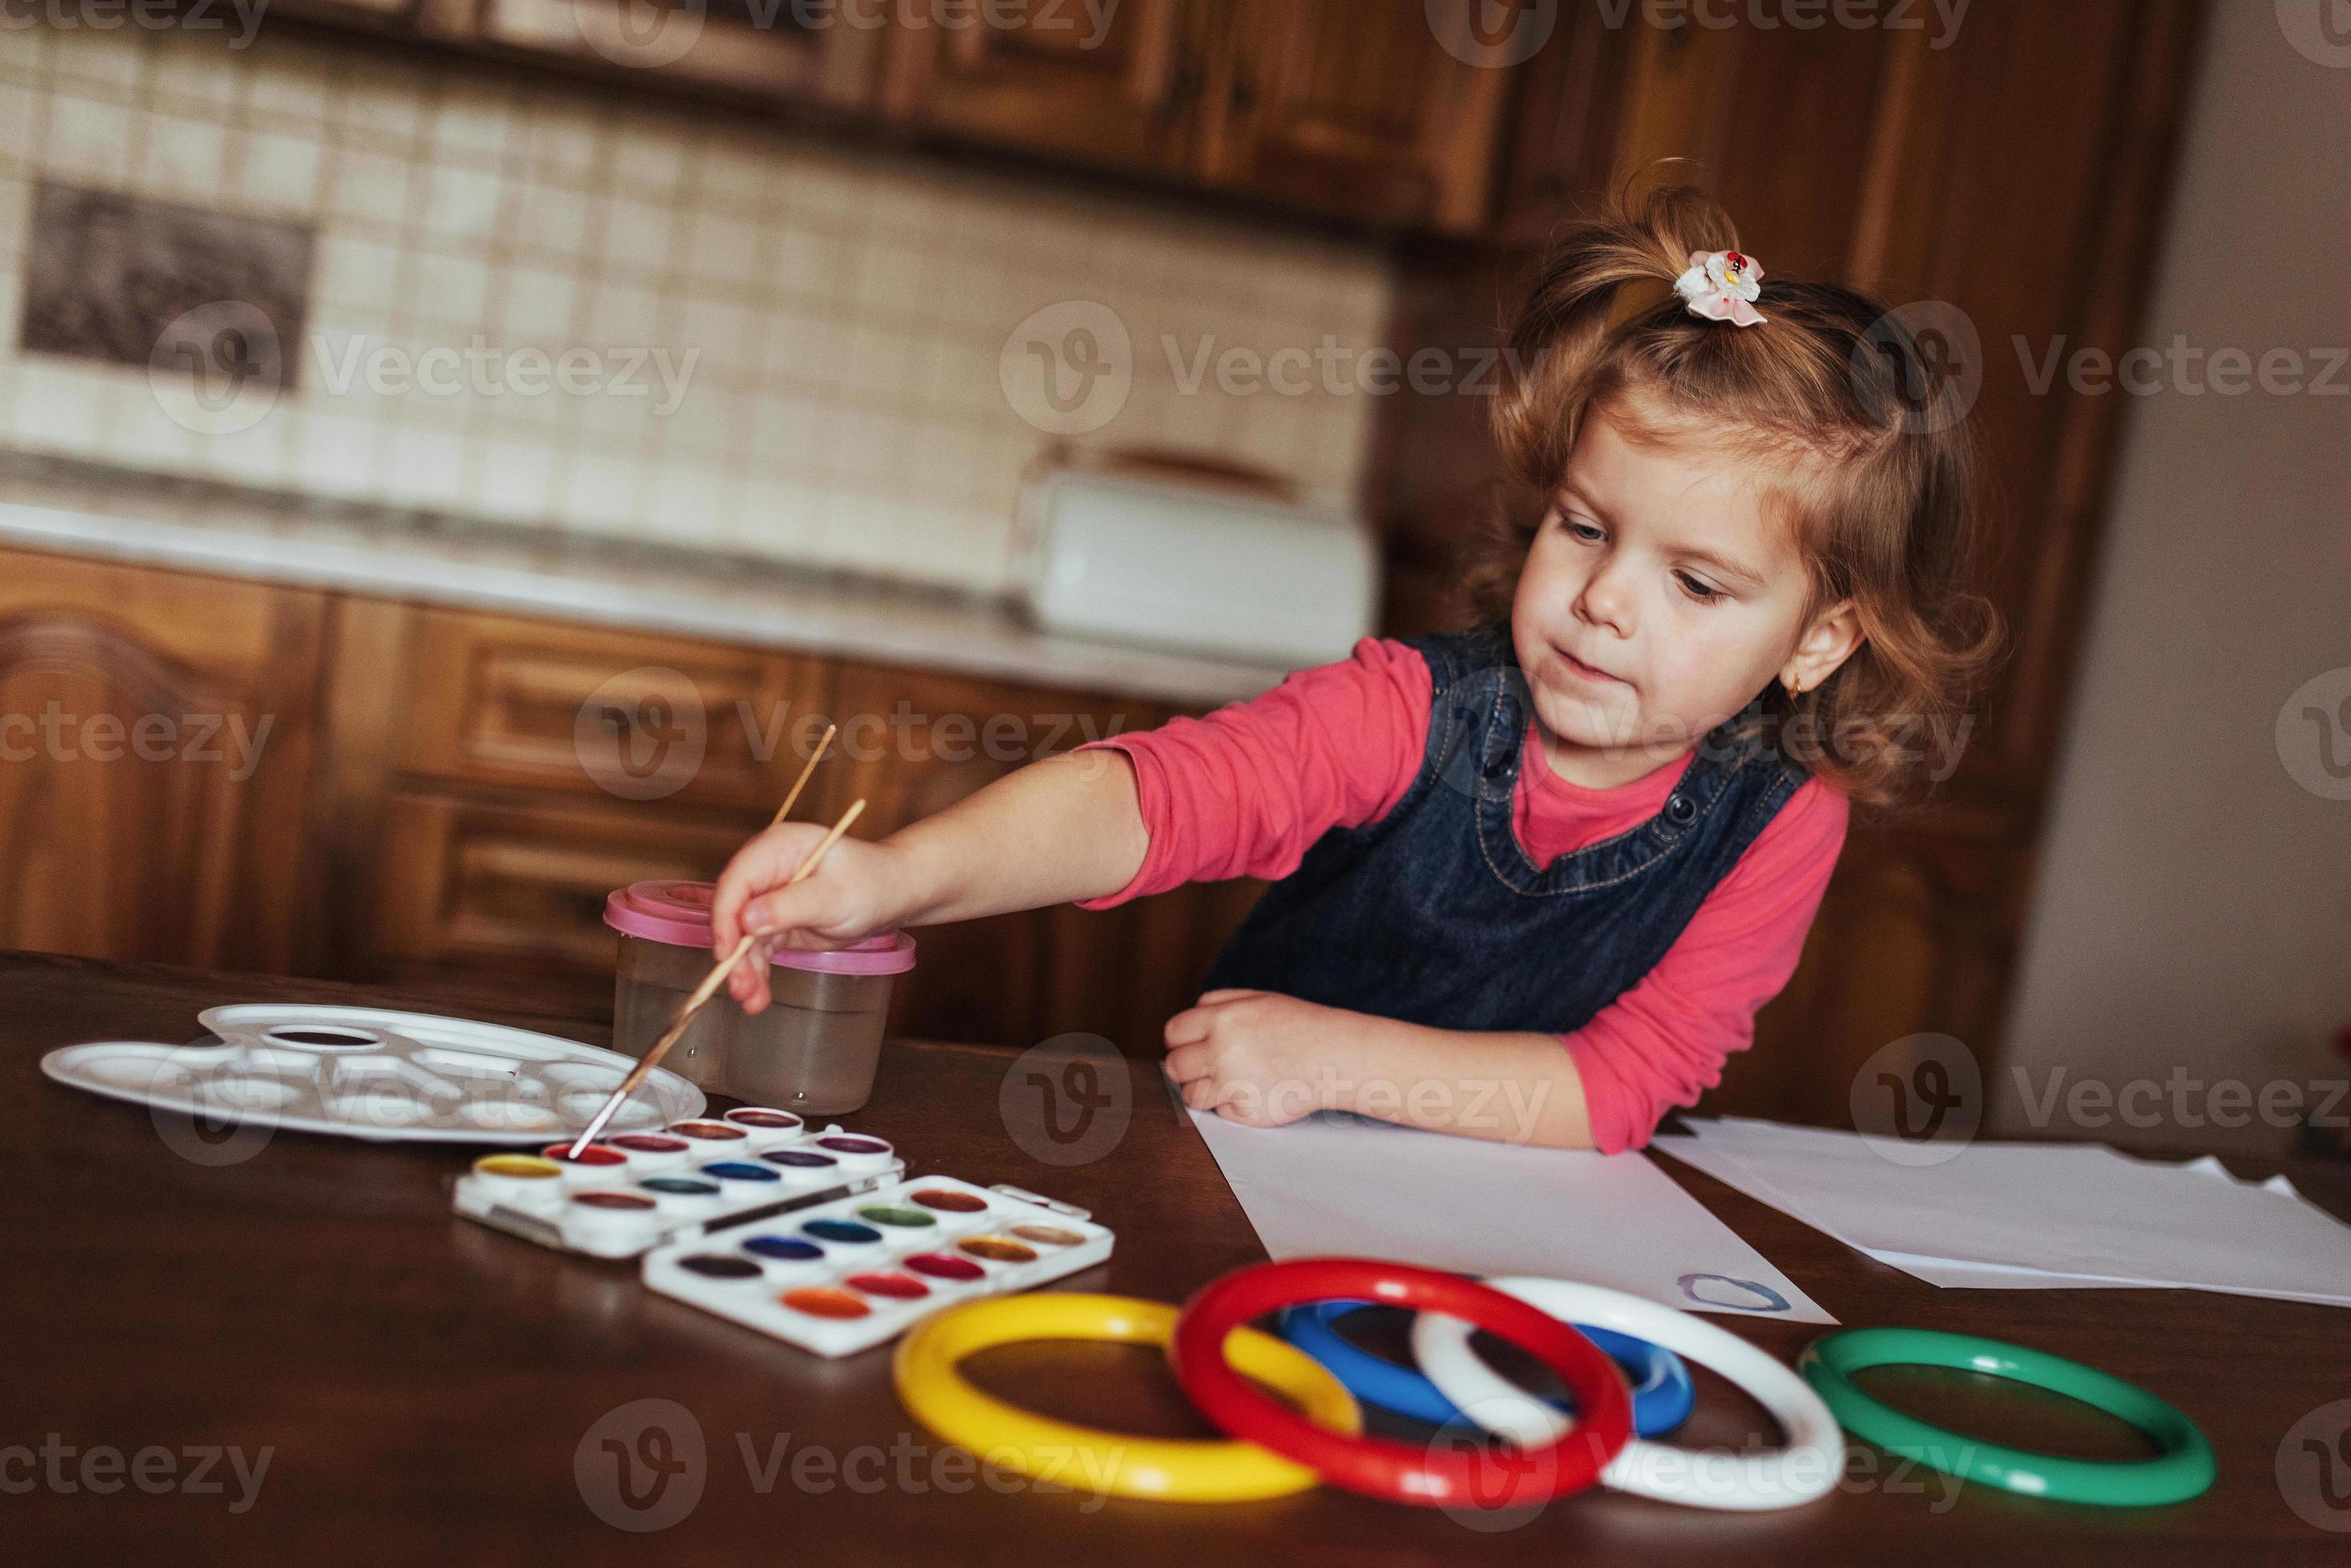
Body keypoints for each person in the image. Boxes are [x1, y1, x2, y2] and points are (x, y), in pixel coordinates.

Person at [709, 185, 2001, 1153]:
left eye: (1696, 582)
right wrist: (893, 877)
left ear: (1821, 639)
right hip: (1245, 1166)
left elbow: (1624, 1087)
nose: (1604, 599)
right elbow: (1148, 801)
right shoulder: (1411, 711)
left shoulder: (1782, 822)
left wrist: (1337, 1057)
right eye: (1586, 528)